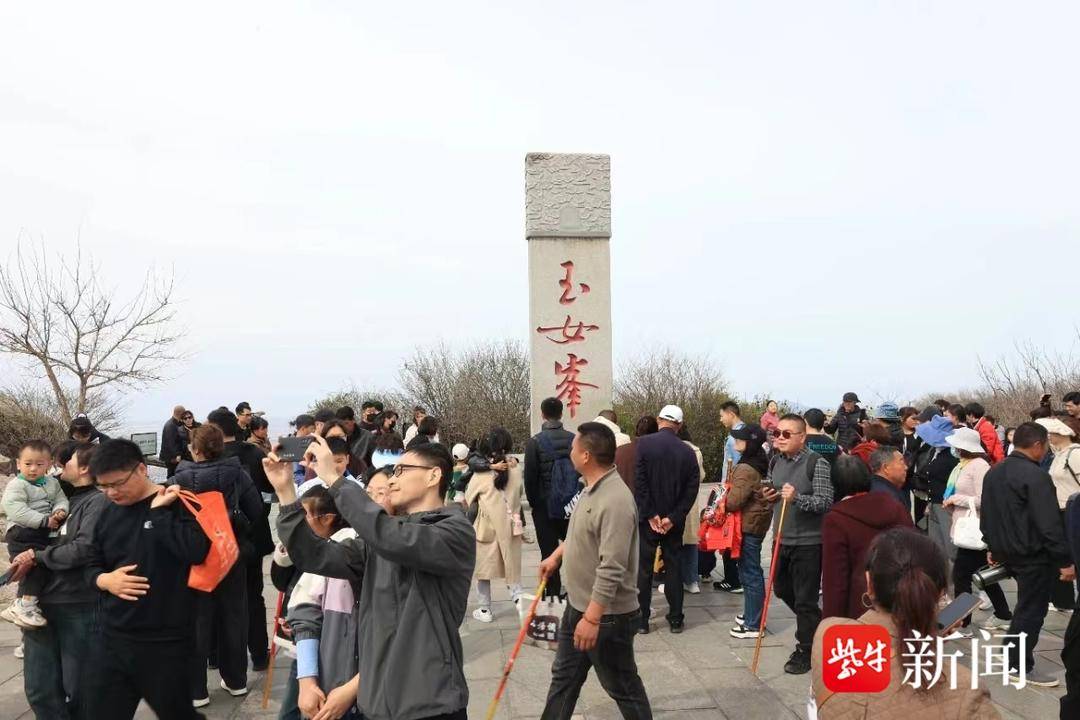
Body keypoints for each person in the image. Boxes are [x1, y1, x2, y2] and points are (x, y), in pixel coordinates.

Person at [268, 436, 475, 720]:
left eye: (401, 470)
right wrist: (286, 494)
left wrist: (333, 478)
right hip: (376, 703)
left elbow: (395, 538)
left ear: (434, 475)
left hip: (430, 703)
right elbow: (315, 556)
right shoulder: (379, 539)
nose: (392, 480)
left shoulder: (454, 532)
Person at [81, 438, 212, 718]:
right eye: (102, 486)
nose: (111, 493)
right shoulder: (106, 512)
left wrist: (158, 514)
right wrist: (104, 580)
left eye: (117, 483)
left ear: (142, 469)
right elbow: (89, 563)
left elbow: (196, 551)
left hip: (166, 640)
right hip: (113, 637)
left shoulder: (176, 501)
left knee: (177, 713)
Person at [812, 528, 999, 719]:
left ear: (869, 582)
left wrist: (927, 635)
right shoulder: (966, 691)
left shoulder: (828, 634)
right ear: (941, 593)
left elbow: (876, 664)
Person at [536, 422, 652, 720]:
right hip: (578, 605)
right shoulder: (590, 489)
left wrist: (592, 618)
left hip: (607, 615)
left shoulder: (615, 500)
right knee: (564, 679)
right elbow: (581, 534)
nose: (570, 452)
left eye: (574, 447)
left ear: (585, 455)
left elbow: (612, 566)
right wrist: (556, 556)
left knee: (622, 686)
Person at [170, 423, 265, 707]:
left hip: (194, 557)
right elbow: (256, 510)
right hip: (229, 553)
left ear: (194, 449)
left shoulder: (180, 478)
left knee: (197, 621)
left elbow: (172, 518)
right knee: (234, 616)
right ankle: (236, 680)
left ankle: (197, 689)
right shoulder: (238, 475)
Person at [13, 442, 107, 718]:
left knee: (81, 689)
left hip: (77, 603)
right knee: (39, 689)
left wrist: (39, 556)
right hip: (37, 606)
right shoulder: (51, 495)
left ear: (85, 468)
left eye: (67, 462)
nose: (59, 465)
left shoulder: (98, 502)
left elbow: (83, 549)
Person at [981, 422, 1075, 687]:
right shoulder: (1035, 476)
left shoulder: (994, 472)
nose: (1046, 451)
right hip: (1032, 554)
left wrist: (991, 546)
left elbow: (987, 515)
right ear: (1037, 445)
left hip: (1007, 551)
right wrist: (1065, 561)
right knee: (1030, 611)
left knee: (1024, 608)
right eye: (1046, 445)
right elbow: (1049, 524)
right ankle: (1019, 665)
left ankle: (1010, 653)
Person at [761, 413, 834, 674]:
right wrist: (770, 496)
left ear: (802, 437)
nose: (779, 438)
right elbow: (776, 495)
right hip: (781, 537)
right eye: (776, 433)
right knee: (781, 589)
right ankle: (817, 622)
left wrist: (798, 498)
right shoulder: (775, 460)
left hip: (809, 542)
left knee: (805, 599)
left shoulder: (817, 463)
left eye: (786, 434)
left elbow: (825, 502)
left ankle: (805, 649)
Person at [208, 408, 275, 671]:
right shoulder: (254, 452)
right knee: (253, 596)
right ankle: (259, 654)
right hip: (252, 535)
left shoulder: (208, 458)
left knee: (216, 599)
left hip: (218, 538)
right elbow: (269, 488)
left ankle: (215, 656)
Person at [290, 482, 363, 720]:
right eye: (371, 493)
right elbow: (305, 609)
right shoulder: (336, 546)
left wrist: (352, 688)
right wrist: (307, 679)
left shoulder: (345, 546)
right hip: (331, 680)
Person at [634, 405, 700, 634]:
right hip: (674, 521)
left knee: (643, 569)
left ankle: (641, 621)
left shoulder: (643, 444)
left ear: (659, 419)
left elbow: (639, 483)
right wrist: (673, 517)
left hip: (648, 520)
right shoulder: (687, 451)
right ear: (679, 425)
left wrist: (651, 514)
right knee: (674, 568)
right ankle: (676, 619)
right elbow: (691, 490)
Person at [821, 455, 912, 620]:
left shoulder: (836, 519)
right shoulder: (895, 506)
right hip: (903, 598)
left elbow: (835, 578)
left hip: (862, 604)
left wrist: (831, 620)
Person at [942, 426, 1012, 633]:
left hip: (977, 529)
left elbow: (985, 499)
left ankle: (962, 622)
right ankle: (1003, 613)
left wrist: (957, 499)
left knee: (962, 576)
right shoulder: (963, 465)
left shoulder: (979, 466)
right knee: (983, 575)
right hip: (967, 529)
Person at [1, 439, 68, 629]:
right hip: (22, 531)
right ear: (18, 463)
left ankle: (20, 606)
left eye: (39, 464)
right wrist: (45, 520)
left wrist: (60, 510)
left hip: (40, 532)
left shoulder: (51, 483)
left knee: (37, 566)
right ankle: (25, 605)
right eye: (28, 464)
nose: (33, 469)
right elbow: (15, 510)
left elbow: (60, 499)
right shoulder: (17, 485)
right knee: (36, 566)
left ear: (49, 464)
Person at [466, 428, 525, 622]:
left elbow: (468, 497)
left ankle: (484, 610)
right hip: (510, 527)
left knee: (484, 570)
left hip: (487, 527)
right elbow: (519, 494)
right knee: (512, 568)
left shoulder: (481, 474)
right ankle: (520, 605)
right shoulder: (515, 469)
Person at [524, 397, 577, 599]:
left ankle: (553, 595)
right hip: (570, 505)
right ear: (561, 414)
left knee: (548, 552)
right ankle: (577, 591)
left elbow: (530, 478)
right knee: (572, 549)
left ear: (542, 414)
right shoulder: (574, 439)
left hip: (545, 507)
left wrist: (534, 504)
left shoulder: (535, 442)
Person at [725, 424, 774, 638]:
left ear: (750, 442)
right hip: (757, 522)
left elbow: (735, 501)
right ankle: (751, 614)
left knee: (750, 572)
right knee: (749, 570)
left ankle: (754, 624)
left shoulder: (745, 468)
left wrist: (721, 501)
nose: (736, 441)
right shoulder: (760, 460)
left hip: (748, 524)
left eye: (740, 438)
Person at [1038, 417, 1080, 612]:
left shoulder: (1076, 454)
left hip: (1073, 511)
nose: (1048, 437)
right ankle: (1063, 601)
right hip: (1058, 511)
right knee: (1060, 556)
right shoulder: (1057, 454)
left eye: (1051, 433)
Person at [915, 414, 959, 569]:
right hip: (934, 502)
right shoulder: (934, 451)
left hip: (946, 504)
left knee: (950, 548)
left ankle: (955, 584)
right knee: (936, 547)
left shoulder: (953, 456)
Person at [712, 400, 745, 592]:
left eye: (721, 415)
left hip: (732, 490)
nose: (720, 418)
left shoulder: (735, 438)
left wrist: (725, 492)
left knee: (729, 534)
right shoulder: (744, 433)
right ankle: (735, 578)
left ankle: (733, 580)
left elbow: (734, 467)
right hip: (737, 489)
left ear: (731, 414)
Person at [677, 424, 706, 595]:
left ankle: (675, 580)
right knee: (691, 541)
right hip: (691, 499)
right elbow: (701, 475)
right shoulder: (696, 450)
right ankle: (692, 580)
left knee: (674, 543)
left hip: (673, 499)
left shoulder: (672, 448)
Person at [614, 416, 657, 493]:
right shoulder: (658, 454)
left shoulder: (620, 451)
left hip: (623, 500)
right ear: (656, 433)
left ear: (636, 430)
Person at [868, 447, 911, 513]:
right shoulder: (888, 498)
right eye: (901, 462)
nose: (906, 467)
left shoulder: (872, 485)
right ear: (886, 467)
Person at [336, 406, 372, 478]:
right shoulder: (336, 436)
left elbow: (374, 462)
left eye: (346, 423)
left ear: (353, 421)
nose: (343, 427)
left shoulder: (367, 437)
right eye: (340, 424)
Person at [161, 405, 187, 478]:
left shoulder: (177, 423)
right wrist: (178, 455)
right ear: (181, 414)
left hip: (175, 456)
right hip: (172, 458)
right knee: (172, 475)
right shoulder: (170, 425)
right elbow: (171, 443)